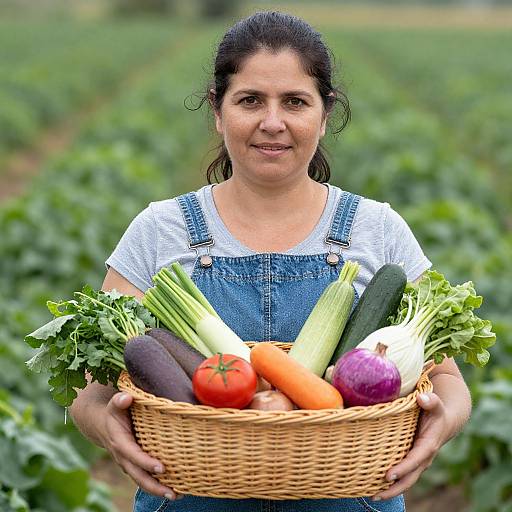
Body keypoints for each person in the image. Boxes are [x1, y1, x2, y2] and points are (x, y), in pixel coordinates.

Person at [69, 11, 472, 512]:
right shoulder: (160, 230)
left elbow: (449, 381)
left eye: (296, 102)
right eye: (250, 100)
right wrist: (105, 427)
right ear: (218, 111)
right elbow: (91, 393)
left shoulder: (378, 230)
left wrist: (440, 426)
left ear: (324, 115)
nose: (273, 122)